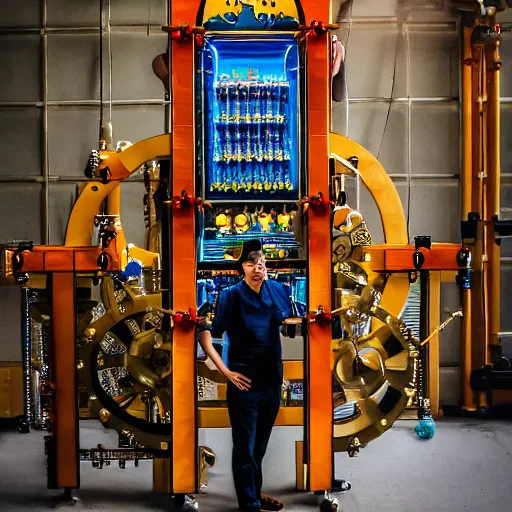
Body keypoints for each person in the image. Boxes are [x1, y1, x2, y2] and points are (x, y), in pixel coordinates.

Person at [198, 239, 292, 512]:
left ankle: (255, 493)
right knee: (245, 449)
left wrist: (270, 286)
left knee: (259, 449)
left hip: (272, 382)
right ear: (242, 267)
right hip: (245, 386)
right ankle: (249, 504)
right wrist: (225, 371)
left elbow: (284, 319)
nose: (257, 268)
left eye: (261, 263)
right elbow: (208, 334)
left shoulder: (276, 290)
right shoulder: (231, 296)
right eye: (251, 263)